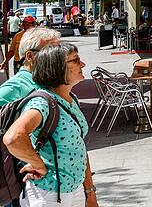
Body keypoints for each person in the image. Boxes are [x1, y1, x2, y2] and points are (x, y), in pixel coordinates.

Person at [3, 43, 98, 207]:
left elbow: (79, 146)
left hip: (72, 190)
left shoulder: (71, 98)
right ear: (57, 68)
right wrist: (38, 164)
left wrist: (89, 192)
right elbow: (13, 138)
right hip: (49, 195)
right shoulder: (42, 103)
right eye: (75, 60)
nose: (82, 64)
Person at [0, 28, 62, 106]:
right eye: (51, 52)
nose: (60, 56)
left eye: (60, 51)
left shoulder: (49, 80)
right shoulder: (15, 88)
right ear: (30, 56)